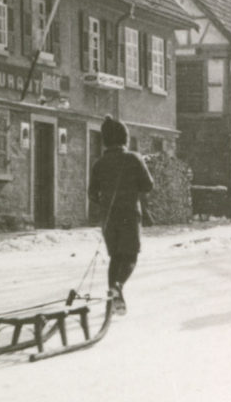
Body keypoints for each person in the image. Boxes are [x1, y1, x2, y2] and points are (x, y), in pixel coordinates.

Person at [87, 116, 153, 316]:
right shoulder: (134, 158)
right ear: (124, 138)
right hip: (129, 215)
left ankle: (112, 299)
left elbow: (92, 193)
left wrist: (106, 203)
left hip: (108, 217)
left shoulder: (99, 164)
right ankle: (118, 285)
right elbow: (148, 185)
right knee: (130, 255)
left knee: (115, 256)